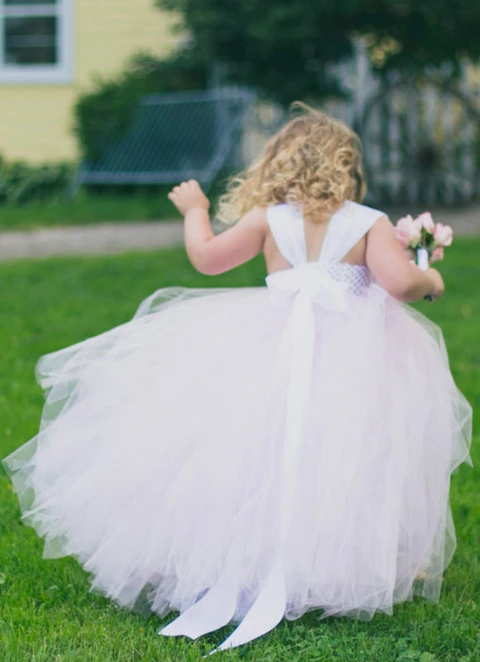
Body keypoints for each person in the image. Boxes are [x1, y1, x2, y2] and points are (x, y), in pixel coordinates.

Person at [3, 105, 472, 652]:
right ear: (345, 165)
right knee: (352, 455)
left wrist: (196, 210)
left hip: (270, 351)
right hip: (353, 360)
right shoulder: (366, 222)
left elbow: (205, 258)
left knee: (255, 450)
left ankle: (242, 552)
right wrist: (430, 276)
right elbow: (397, 283)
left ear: (279, 162)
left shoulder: (267, 219)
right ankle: (349, 561)